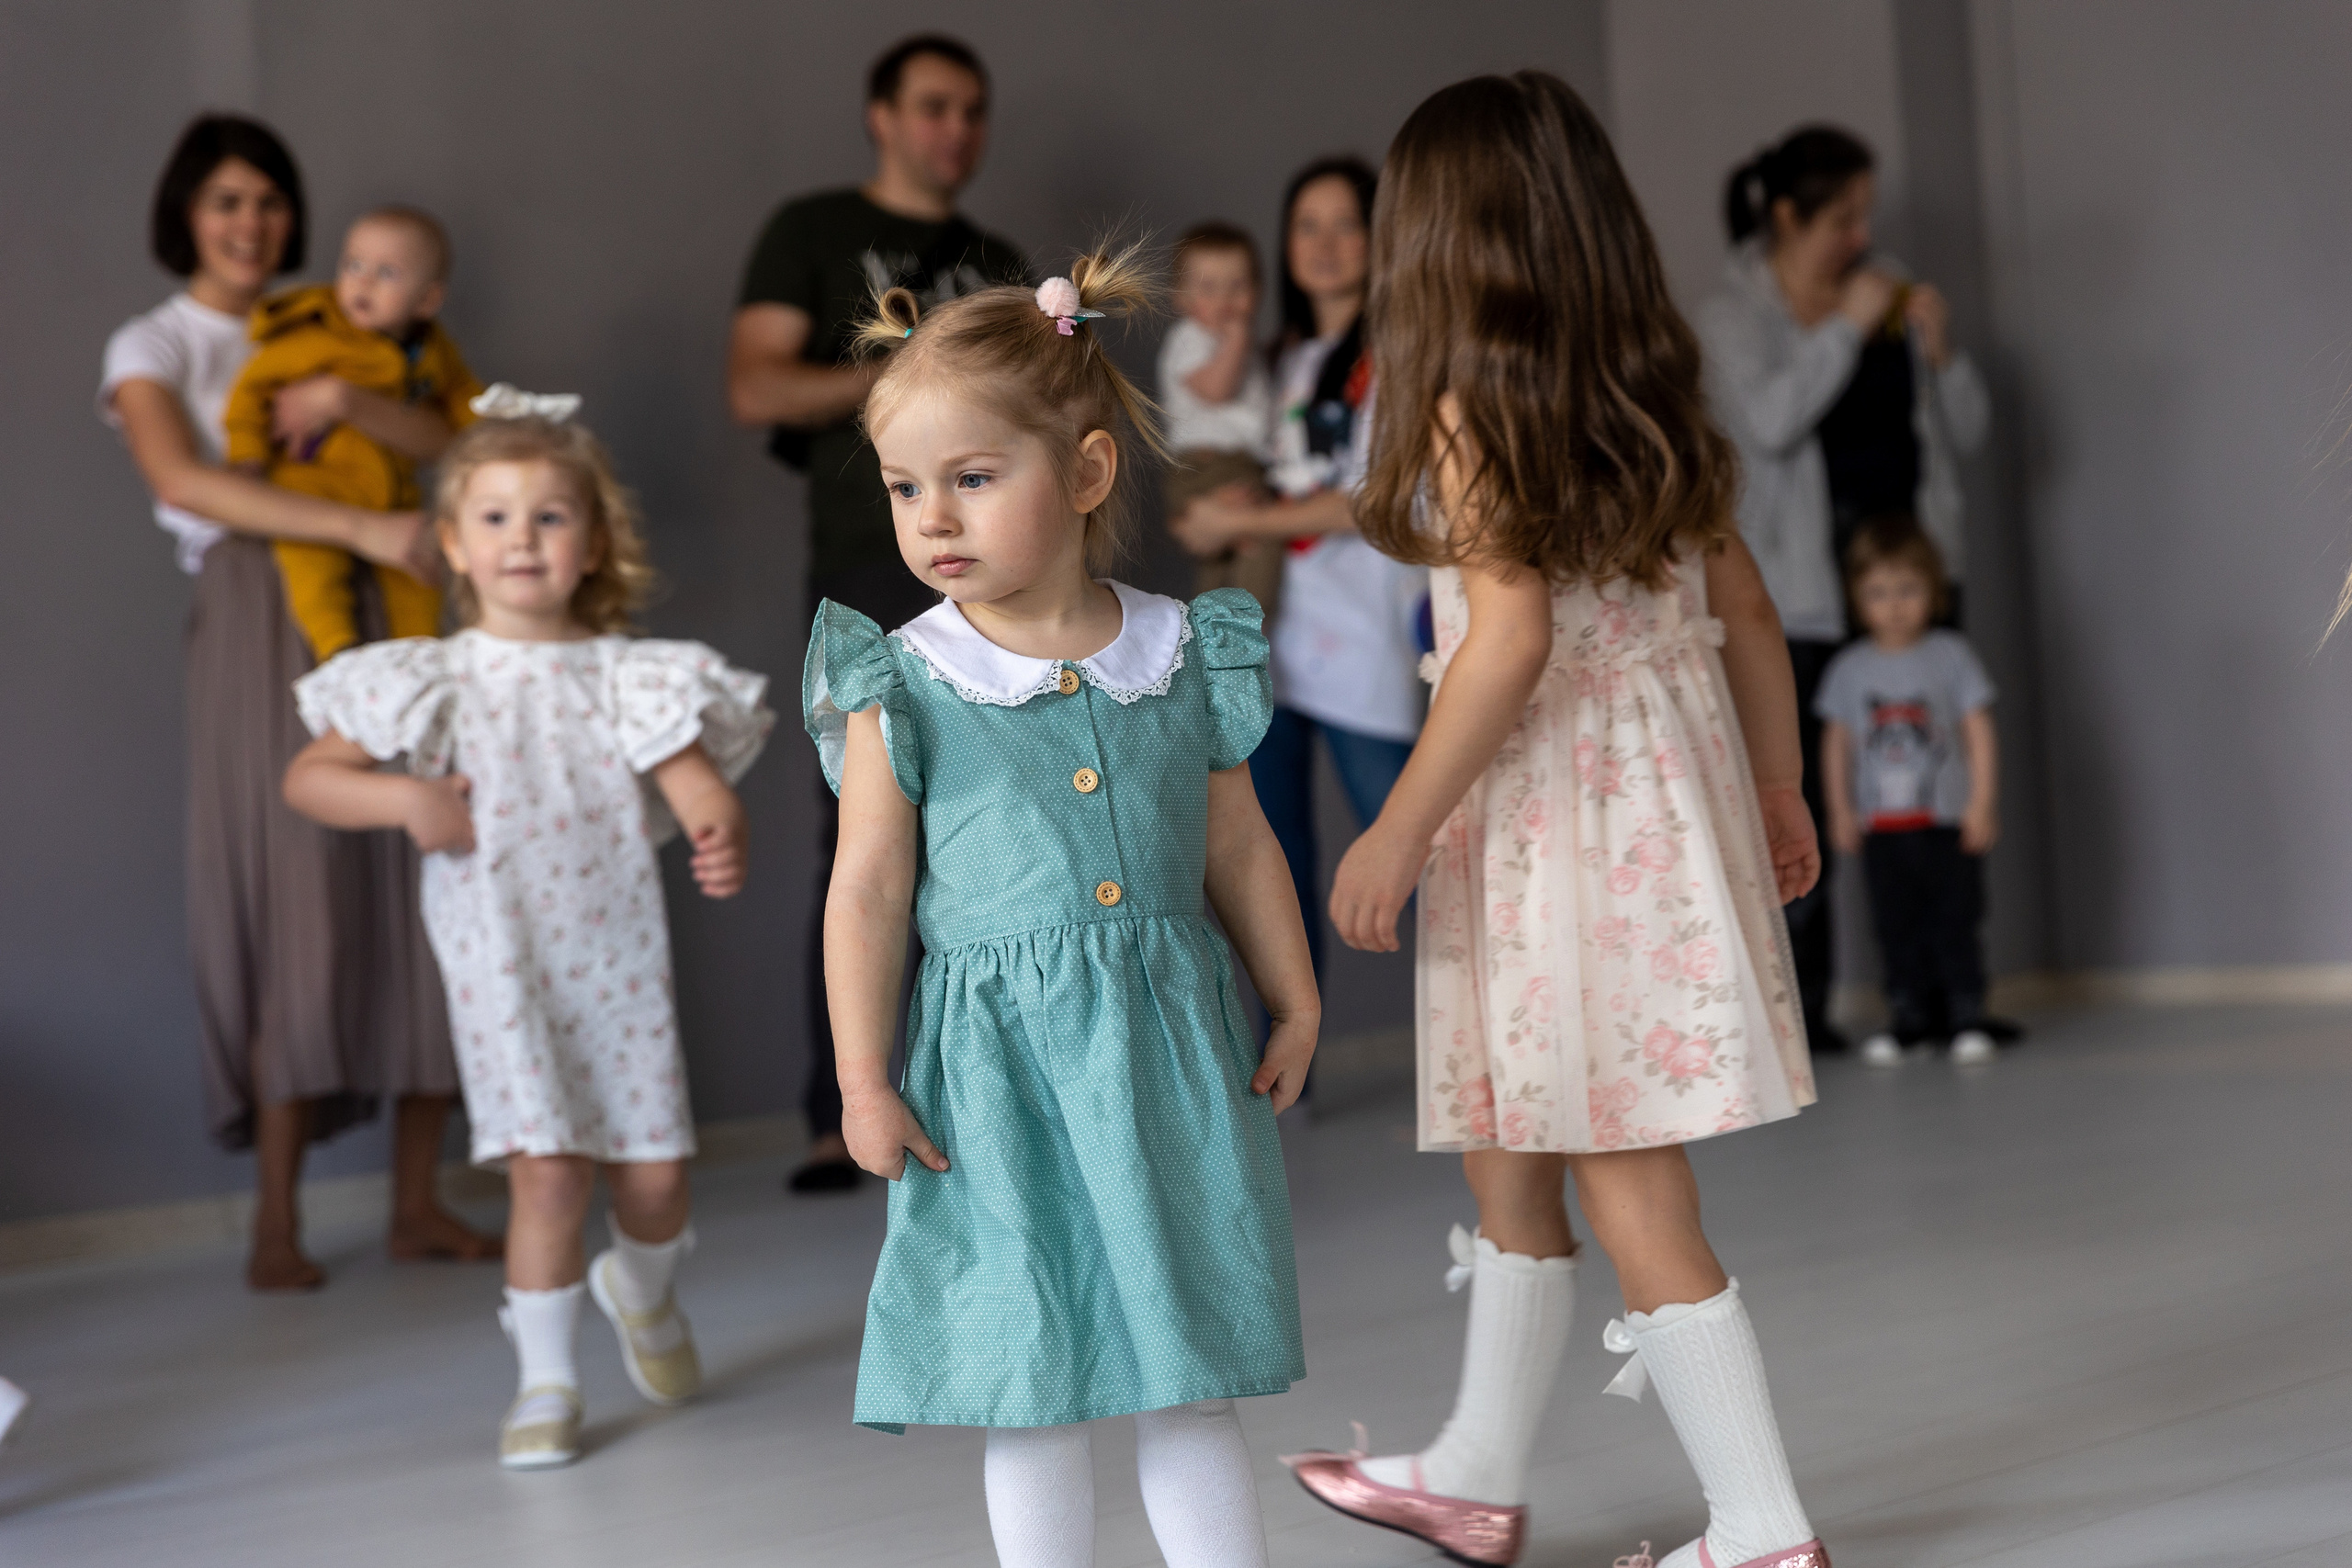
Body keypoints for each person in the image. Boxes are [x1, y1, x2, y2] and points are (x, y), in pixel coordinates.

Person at [1284, 73, 1831, 1568]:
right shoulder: (1649, 393)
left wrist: (1395, 825)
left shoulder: (1464, 405)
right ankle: (1473, 1469)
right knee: (1510, 1151)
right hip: (1644, 820)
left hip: (1555, 835)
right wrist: (1777, 790)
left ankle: (1764, 1528)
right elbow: (1753, 615)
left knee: (1623, 1170)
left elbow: (1508, 638)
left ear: (1440, 246)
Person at [806, 251, 1319, 1568]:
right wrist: (863, 1077)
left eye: (973, 476)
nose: (934, 516)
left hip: (1167, 1051)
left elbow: (1240, 843)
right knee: (1031, 1364)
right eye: (907, 487)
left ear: (1086, 474)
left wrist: (1296, 988)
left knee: (1186, 1354)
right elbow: (866, 889)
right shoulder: (903, 678)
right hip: (997, 1073)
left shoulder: (1176, 649)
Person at [283, 394, 774, 1469]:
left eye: (550, 518)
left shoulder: (624, 675)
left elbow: (697, 786)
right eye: (496, 519)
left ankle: (640, 1292)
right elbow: (312, 778)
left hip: (619, 968)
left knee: (652, 1183)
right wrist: (408, 803)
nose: (523, 540)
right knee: (546, 1174)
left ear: (592, 542)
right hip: (501, 969)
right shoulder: (435, 679)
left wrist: (716, 828)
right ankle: (546, 1381)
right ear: (454, 543)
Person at [98, 114, 492, 1291]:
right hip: (259, 610)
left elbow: (449, 439)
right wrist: (359, 519)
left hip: (396, 592)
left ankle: (416, 1203)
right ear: (186, 212)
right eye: (226, 201)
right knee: (294, 883)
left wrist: (349, 404)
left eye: (268, 201)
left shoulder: (355, 312)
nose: (250, 223)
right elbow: (184, 478)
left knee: (428, 864)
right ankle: (278, 1222)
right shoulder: (152, 340)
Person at [728, 33, 1028, 1192]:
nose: (956, 129)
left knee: (1004, 826)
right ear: (882, 115)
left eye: (974, 110)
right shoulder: (808, 232)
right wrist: (913, 377)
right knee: (857, 838)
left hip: (1002, 577)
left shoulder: (997, 256)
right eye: (936, 106)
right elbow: (755, 385)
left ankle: (987, 1095)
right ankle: (837, 1109)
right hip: (864, 576)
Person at [1696, 124, 1988, 1056]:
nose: (1861, 237)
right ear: (1787, 215)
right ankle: (1803, 1014)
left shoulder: (1890, 286)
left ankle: (1951, 1001)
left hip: (1907, 574)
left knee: (1938, 784)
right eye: (1843, 217)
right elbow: (1772, 421)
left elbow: (1968, 434)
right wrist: (1846, 329)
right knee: (1803, 805)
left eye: (1865, 214)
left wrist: (1941, 356)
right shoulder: (1731, 313)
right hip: (1801, 588)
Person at [1168, 157, 1424, 988]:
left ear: (1380, 235)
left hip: (1366, 634)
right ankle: (1288, 1080)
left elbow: (1374, 500)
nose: (1324, 244)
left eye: (1346, 223)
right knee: (1269, 869)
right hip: (1272, 644)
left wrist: (1239, 519)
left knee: (1416, 849)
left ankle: (1494, 1050)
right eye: (1306, 224)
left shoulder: (1401, 358)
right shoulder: (1275, 358)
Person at [224, 204, 481, 662]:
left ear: (426, 301)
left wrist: (486, 428)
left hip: (392, 492)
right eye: (354, 265)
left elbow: (460, 394)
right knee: (311, 566)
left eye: (387, 273)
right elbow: (250, 394)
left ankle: (420, 659)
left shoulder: (432, 349)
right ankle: (337, 650)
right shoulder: (315, 335)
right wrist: (247, 456)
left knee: (420, 574)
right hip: (315, 483)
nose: (362, 282)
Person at [1818, 517, 2000, 1066]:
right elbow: (1837, 744)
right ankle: (1908, 1018)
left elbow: (1978, 731)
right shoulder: (1849, 670)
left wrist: (1982, 802)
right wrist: (1840, 810)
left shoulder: (1951, 655)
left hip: (1944, 819)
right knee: (1894, 925)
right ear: (1855, 598)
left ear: (1934, 590)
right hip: (1882, 829)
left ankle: (1966, 1016)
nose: (1894, 605)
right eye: (1878, 592)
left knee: (1955, 919)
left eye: (1908, 590)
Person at [1159, 220, 1277, 612]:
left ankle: (1216, 649)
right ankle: (1247, 633)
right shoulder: (1190, 338)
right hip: (1207, 467)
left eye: (1237, 286)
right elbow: (1217, 389)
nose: (1225, 300)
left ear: (1258, 292)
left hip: (1238, 465)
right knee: (1260, 543)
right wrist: (1239, 339)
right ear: (1181, 296)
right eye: (1208, 288)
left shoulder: (1242, 348)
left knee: (1223, 565)